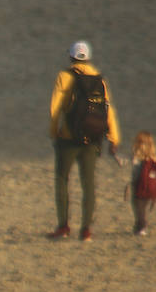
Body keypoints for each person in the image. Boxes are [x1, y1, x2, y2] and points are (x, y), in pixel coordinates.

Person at [48, 40, 122, 241]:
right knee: (88, 183)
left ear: (71, 56)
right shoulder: (99, 79)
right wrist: (113, 138)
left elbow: (56, 107)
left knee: (62, 180)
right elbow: (108, 110)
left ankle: (63, 227)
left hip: (68, 138)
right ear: (88, 57)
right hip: (93, 138)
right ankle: (86, 230)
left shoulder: (64, 76)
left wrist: (54, 131)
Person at [127, 131, 156, 237]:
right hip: (151, 188)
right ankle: (139, 226)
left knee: (139, 208)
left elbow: (123, 161)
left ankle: (141, 226)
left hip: (139, 186)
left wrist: (114, 154)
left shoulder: (136, 159)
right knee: (143, 208)